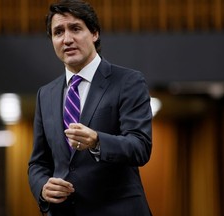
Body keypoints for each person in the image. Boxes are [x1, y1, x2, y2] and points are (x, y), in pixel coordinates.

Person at [28, 0, 153, 215]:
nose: (67, 39)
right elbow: (38, 163)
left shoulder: (128, 81)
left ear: (94, 33)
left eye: (75, 28)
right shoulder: (45, 94)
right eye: (58, 32)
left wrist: (97, 140)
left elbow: (140, 147)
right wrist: (42, 187)